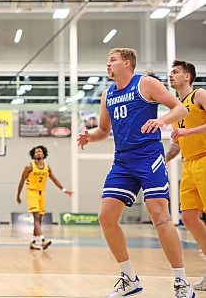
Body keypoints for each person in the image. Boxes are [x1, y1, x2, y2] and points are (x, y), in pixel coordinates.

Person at [77, 48, 193, 298]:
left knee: (159, 214)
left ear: (126, 63)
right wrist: (90, 136)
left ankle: (182, 282)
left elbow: (180, 109)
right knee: (106, 216)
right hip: (123, 161)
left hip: (148, 156)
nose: (107, 65)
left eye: (112, 60)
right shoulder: (108, 94)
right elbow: (104, 130)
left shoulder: (145, 83)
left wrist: (161, 122)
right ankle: (129, 278)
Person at [165, 60, 206, 291]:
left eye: (175, 72)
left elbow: (188, 132)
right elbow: (178, 144)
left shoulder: (199, 94)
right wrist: (163, 159)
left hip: (205, 159)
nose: (171, 75)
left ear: (187, 76)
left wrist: (188, 131)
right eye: (170, 72)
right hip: (188, 164)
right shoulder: (178, 107)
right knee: (189, 217)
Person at [16, 145, 73, 250]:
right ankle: (43, 240)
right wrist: (18, 195)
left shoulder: (47, 167)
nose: (38, 152)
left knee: (39, 219)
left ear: (44, 154)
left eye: (40, 151)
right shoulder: (29, 167)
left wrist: (64, 190)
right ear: (33, 155)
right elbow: (21, 181)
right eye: (36, 151)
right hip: (31, 192)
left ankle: (33, 242)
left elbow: (54, 179)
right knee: (36, 217)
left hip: (42, 194)